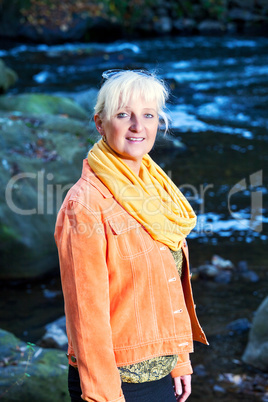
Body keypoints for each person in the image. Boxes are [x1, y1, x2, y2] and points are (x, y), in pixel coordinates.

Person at [54, 69, 208, 402]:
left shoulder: (155, 189)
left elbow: (166, 283)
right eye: (124, 115)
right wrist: (103, 396)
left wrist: (179, 359)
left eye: (148, 115)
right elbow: (86, 314)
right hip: (118, 383)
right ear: (100, 123)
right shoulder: (85, 204)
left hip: (162, 372)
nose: (138, 126)